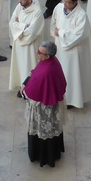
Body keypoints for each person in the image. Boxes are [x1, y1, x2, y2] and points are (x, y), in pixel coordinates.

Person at [20, 40, 67, 168]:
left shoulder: (46, 72)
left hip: (42, 109)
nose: (36, 53)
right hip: (50, 104)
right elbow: (36, 73)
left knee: (43, 132)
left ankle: (41, 156)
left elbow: (34, 92)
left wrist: (24, 91)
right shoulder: (52, 61)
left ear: (47, 56)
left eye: (39, 52)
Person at [51, 0, 91, 108]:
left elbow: (79, 35)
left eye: (68, 2)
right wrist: (56, 33)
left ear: (75, 2)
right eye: (64, 0)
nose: (65, 4)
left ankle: (71, 99)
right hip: (60, 48)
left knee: (72, 74)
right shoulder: (59, 8)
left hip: (73, 51)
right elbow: (54, 22)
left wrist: (61, 33)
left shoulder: (81, 16)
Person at [9, 0, 45, 92]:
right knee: (20, 66)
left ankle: (30, 88)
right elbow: (11, 22)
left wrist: (18, 26)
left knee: (29, 66)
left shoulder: (37, 12)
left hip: (30, 45)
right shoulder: (19, 6)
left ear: (30, 0)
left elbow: (32, 32)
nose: (19, 1)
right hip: (18, 44)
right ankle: (22, 86)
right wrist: (24, 26)